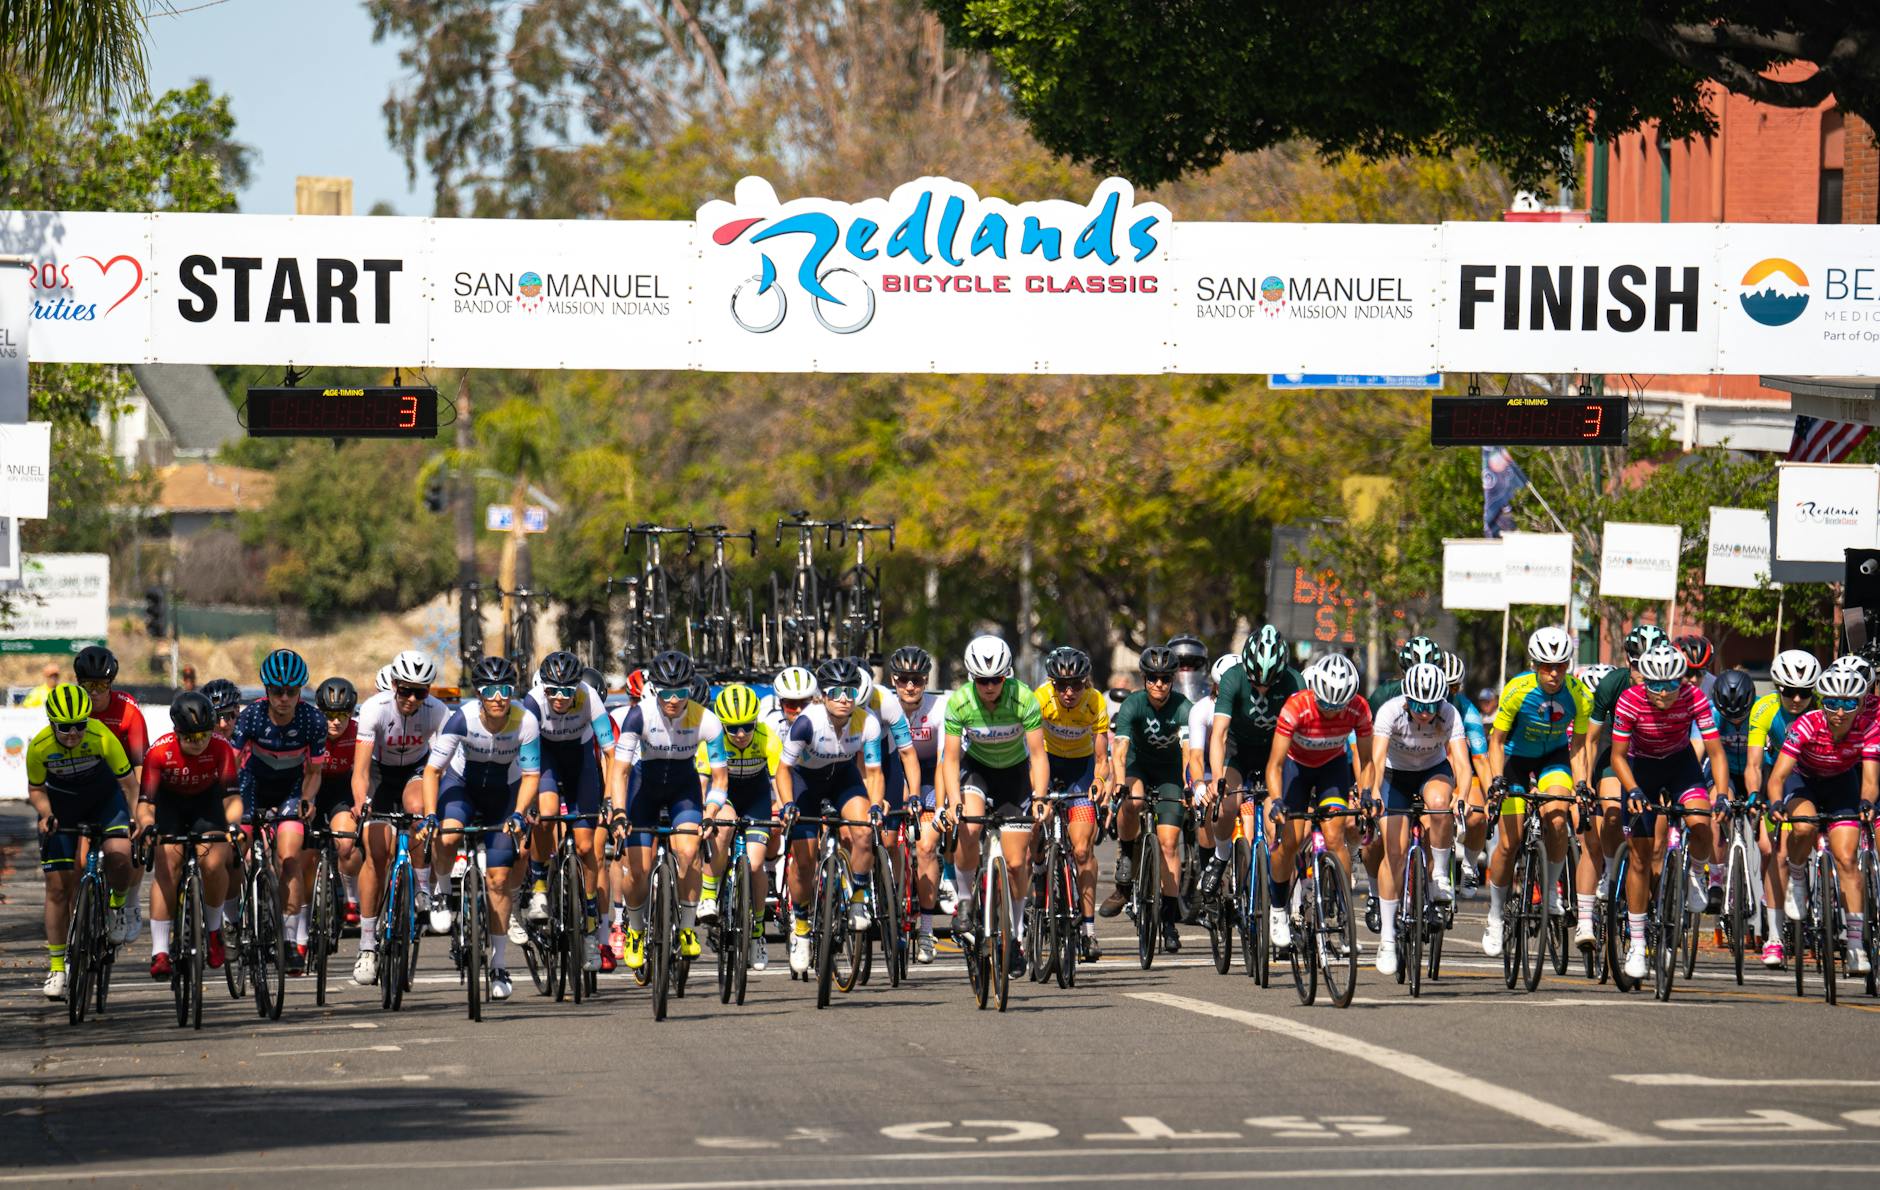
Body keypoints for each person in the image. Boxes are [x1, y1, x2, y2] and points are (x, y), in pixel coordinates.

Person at [421, 655, 542, 1001]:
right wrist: (431, 813)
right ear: (479, 693)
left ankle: (500, 964)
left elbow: (532, 777)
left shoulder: (525, 721)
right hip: (463, 786)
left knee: (500, 879)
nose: (499, 697)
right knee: (448, 833)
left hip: (505, 793)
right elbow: (432, 772)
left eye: (505, 689)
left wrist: (519, 813)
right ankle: (443, 893)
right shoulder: (462, 719)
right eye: (490, 690)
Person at [1609, 642, 1726, 981]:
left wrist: (1720, 792)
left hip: (1680, 765)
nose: (1662, 692)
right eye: (1655, 684)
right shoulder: (1631, 700)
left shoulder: (1695, 698)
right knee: (1641, 856)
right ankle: (1636, 942)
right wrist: (1631, 789)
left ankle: (1696, 872)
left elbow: (1716, 752)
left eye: (1670, 684)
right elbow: (1617, 756)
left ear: (1682, 680)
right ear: (1644, 680)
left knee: (1702, 823)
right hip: (1640, 767)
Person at [937, 635, 1048, 976]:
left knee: (1017, 864)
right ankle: (966, 901)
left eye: (996, 679)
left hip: (1014, 776)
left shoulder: (1024, 699)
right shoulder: (959, 702)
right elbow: (951, 759)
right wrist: (953, 801)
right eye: (982, 680)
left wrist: (1041, 797)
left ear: (1007, 675)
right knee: (969, 825)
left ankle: (1014, 937)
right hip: (978, 770)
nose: (989, 686)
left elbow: (1039, 755)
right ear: (972, 678)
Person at [609, 650, 727, 972]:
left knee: (689, 853)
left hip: (683, 789)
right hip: (643, 788)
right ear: (654, 689)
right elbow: (619, 771)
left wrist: (711, 812)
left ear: (690, 688)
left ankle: (687, 926)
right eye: (665, 692)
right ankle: (634, 930)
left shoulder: (707, 720)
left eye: (680, 692)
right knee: (638, 870)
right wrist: (619, 812)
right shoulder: (639, 716)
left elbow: (719, 778)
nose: (673, 700)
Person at [1484, 626, 1592, 959]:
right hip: (1516, 759)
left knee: (1558, 820)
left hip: (1553, 758)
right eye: (1547, 666)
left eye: (1560, 665)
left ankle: (1550, 892)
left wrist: (1582, 784)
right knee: (1509, 841)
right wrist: (1496, 779)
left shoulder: (1578, 694)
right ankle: (1495, 915)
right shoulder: (1517, 690)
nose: (1554, 673)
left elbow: (1579, 745)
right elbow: (1497, 741)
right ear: (1535, 665)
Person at [1765, 663, 1879, 977]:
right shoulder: (1806, 724)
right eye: (1831, 702)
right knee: (1804, 825)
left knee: (1846, 860)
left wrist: (1867, 802)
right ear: (1822, 701)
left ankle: (1855, 946)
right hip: (1803, 782)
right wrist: (1775, 801)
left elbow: (1869, 780)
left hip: (1842, 784)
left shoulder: (1869, 727)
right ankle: (1798, 873)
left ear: (1859, 703)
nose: (1839, 711)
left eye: (1848, 704)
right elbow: (1778, 776)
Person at [27, 685, 138, 999]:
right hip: (63, 809)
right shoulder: (39, 747)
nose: (74, 733)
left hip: (105, 803)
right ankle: (57, 968)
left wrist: (136, 818)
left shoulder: (101, 735)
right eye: (65, 727)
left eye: (80, 724)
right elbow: (36, 790)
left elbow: (129, 784)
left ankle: (116, 906)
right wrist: (46, 813)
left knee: (119, 854)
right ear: (52, 723)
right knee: (58, 887)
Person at [777, 656, 883, 975]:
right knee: (804, 860)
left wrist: (876, 804)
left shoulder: (868, 723)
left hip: (843, 778)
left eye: (849, 692)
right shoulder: (807, 723)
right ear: (822, 695)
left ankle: (858, 896)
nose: (842, 698)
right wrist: (786, 805)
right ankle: (801, 928)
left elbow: (874, 773)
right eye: (834, 692)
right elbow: (783, 770)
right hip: (805, 783)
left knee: (865, 831)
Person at [350, 650, 450, 984]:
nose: (411, 699)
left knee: (421, 810)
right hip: (380, 773)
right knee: (376, 853)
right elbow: (361, 770)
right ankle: (367, 946)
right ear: (393, 684)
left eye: (420, 692)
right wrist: (362, 802)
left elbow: (443, 763)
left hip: (416, 770)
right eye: (405, 690)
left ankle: (423, 890)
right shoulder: (374, 709)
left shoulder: (438, 711)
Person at [1365, 662, 1469, 973]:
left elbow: (1462, 764)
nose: (1425, 712)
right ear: (1407, 699)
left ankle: (1438, 875)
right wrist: (1372, 793)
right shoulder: (1390, 711)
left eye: (1431, 706)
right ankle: (1386, 938)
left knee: (1439, 803)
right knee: (1394, 852)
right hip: (1394, 775)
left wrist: (1462, 793)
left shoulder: (1449, 713)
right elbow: (1378, 761)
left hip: (1431, 770)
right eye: (1419, 705)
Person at [1264, 653, 1372, 952]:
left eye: (1338, 708)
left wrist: (1365, 793)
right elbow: (1273, 765)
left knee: (1336, 834)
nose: (1331, 713)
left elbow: (1367, 761)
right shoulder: (1296, 707)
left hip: (1331, 768)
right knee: (1291, 839)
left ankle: (1343, 912)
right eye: (1325, 705)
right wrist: (1276, 800)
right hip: (1295, 769)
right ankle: (1278, 909)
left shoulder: (1359, 708)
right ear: (1315, 694)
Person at [230, 648, 327, 975]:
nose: (284, 698)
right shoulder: (250, 717)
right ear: (266, 689)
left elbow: (314, 774)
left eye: (292, 692)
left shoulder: (313, 720)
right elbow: (230, 765)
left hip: (290, 790)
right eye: (276, 691)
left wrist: (307, 800)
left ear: (300, 691)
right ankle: (231, 921)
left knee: (289, 858)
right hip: (251, 787)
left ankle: (288, 940)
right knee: (234, 850)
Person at [521, 651, 616, 971]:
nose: (560, 697)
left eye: (567, 690)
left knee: (588, 845)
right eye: (553, 690)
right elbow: (524, 756)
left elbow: (609, 753)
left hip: (580, 763)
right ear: (543, 687)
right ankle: (538, 887)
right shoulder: (533, 701)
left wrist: (611, 797)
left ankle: (590, 919)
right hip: (545, 759)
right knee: (546, 813)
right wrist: (527, 802)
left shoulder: (588, 697)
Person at [136, 692, 241, 979]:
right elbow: (145, 804)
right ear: (177, 732)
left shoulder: (221, 748)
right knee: (167, 867)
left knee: (213, 863)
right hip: (170, 807)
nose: (199, 743)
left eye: (204, 735)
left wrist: (232, 826)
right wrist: (147, 826)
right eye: (191, 738)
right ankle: (159, 951)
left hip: (206, 805)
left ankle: (215, 931)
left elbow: (232, 801)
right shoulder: (158, 753)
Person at [1206, 625, 1304, 903]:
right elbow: (1220, 734)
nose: (1261, 688)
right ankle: (1221, 856)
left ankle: (1279, 890)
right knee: (1225, 805)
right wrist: (1216, 778)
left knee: (1278, 824)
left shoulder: (1294, 682)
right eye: (1255, 681)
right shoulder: (1232, 679)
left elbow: (1302, 735)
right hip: (1239, 750)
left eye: (1269, 682)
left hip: (1275, 752)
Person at [1111, 646, 1196, 954]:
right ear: (1144, 679)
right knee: (1132, 801)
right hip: (1138, 767)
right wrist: (1119, 783)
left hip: (1170, 773)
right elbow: (1119, 750)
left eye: (1165, 679)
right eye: (1153, 679)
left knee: (1170, 843)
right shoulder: (1133, 705)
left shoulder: (1184, 707)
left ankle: (1170, 921)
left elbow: (1189, 750)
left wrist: (1190, 784)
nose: (1159, 685)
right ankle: (1127, 854)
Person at [1033, 645, 1110, 961]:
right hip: (1048, 764)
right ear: (1052, 683)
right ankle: (1039, 870)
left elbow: (1102, 758)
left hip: (1081, 769)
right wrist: (1038, 793)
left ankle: (1089, 931)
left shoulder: (1095, 702)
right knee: (1037, 821)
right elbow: (1032, 752)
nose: (1068, 692)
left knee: (1081, 850)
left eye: (1076, 684)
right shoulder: (1040, 700)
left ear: (1085, 682)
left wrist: (1099, 781)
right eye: (1061, 685)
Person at [1745, 649, 1820, 967]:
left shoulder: (1824, 709)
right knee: (1774, 853)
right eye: (1789, 691)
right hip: (1783, 778)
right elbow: (1753, 763)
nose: (1797, 699)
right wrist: (1753, 794)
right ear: (1777, 687)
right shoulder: (1763, 709)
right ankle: (1774, 937)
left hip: (1819, 775)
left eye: (1805, 693)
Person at [697, 683, 779, 971]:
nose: (741, 734)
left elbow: (779, 781)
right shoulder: (713, 738)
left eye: (747, 726)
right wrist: (703, 813)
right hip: (726, 794)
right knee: (723, 825)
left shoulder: (769, 737)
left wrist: (781, 808)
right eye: (733, 728)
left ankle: (757, 932)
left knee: (756, 864)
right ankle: (709, 894)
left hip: (756, 797)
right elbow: (704, 782)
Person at [886, 646, 949, 962]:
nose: (910, 687)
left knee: (925, 845)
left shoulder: (939, 707)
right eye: (903, 680)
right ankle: (889, 901)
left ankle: (926, 930)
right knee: (886, 842)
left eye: (917, 680)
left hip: (928, 775)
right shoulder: (883, 705)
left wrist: (937, 810)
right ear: (893, 680)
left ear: (926, 681)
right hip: (893, 772)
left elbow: (941, 762)